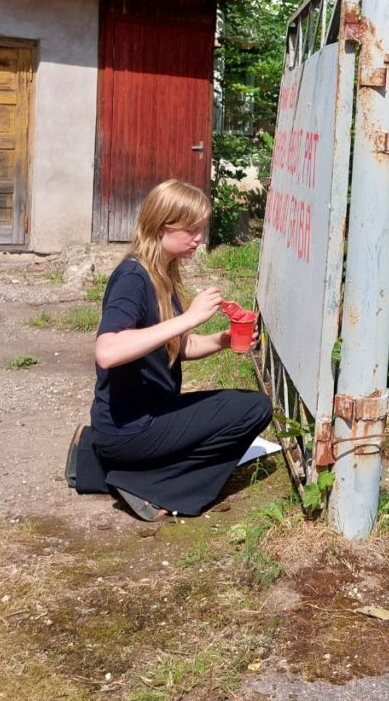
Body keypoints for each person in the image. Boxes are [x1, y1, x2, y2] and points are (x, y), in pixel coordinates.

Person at [84, 179, 272, 522]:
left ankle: (130, 470)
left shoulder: (161, 272)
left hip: (148, 415)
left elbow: (175, 346)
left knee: (249, 406)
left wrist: (221, 340)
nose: (199, 238)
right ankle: (150, 486)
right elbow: (107, 351)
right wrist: (189, 318)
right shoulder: (133, 278)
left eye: (201, 228)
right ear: (162, 227)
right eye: (191, 230)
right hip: (130, 430)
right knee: (254, 409)